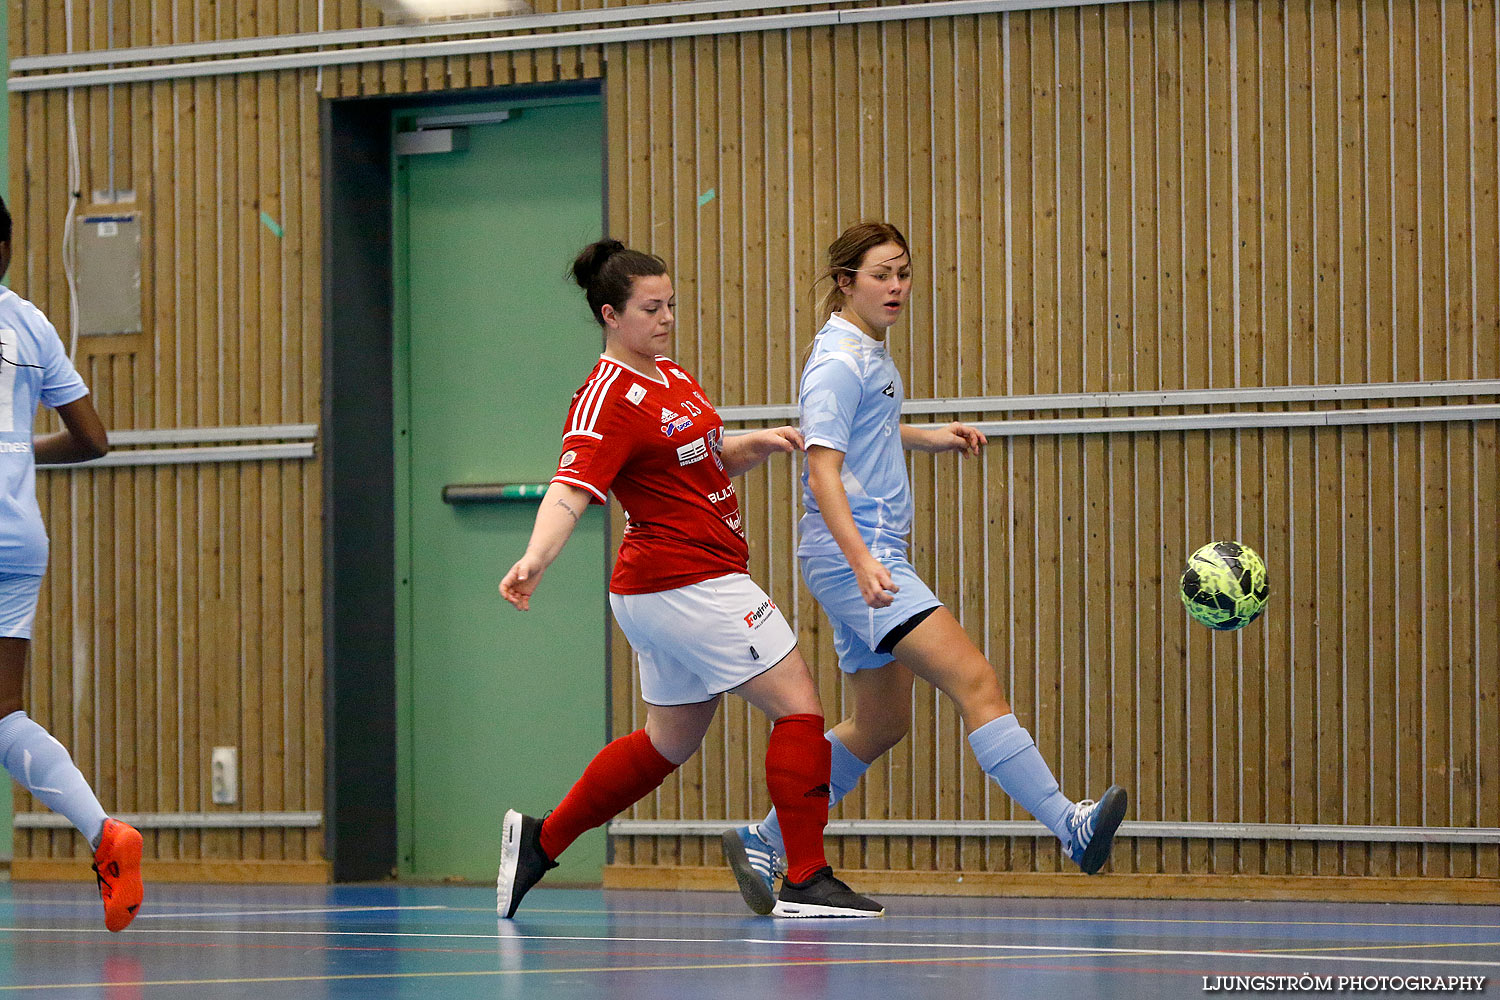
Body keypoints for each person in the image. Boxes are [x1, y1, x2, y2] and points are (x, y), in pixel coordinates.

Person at [722, 221, 1127, 914]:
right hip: (861, 558)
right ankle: (1070, 825)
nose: (897, 287)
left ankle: (766, 840)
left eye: (903, 273)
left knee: (880, 724)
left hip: (864, 558)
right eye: (881, 274)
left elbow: (866, 430)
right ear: (845, 283)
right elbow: (822, 472)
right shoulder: (838, 363)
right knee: (976, 679)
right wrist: (863, 564)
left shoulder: (867, 353)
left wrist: (928, 437)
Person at [495, 239, 881, 919]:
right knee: (799, 703)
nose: (667, 317)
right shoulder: (605, 397)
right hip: (684, 580)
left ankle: (540, 841)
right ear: (611, 315)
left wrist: (749, 446)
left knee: (667, 741)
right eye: (651, 308)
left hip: (680, 584)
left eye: (670, 303)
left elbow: (697, 458)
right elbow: (570, 487)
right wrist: (535, 559)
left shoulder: (669, 374)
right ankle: (804, 875)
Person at [0, 195, 144, 932]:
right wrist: (20, 451)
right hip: (19, 536)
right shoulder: (29, 321)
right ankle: (104, 835)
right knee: (3, 713)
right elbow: (92, 438)